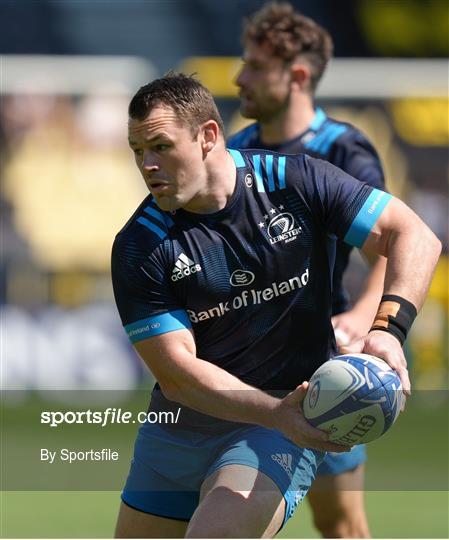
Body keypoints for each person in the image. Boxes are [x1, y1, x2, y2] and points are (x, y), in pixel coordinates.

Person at [111, 72, 440, 538]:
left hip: (271, 430)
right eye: (137, 151)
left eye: (161, 147)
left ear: (208, 136)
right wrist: (275, 412)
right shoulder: (139, 245)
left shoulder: (293, 180)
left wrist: (388, 327)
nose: (147, 165)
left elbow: (414, 235)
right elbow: (178, 375)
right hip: (177, 434)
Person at [227, 3, 386, 536]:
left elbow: (389, 246)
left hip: (320, 368)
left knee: (340, 524)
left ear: (296, 76)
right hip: (240, 367)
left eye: (253, 66)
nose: (238, 77)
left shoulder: (342, 149)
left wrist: (364, 319)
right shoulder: (235, 151)